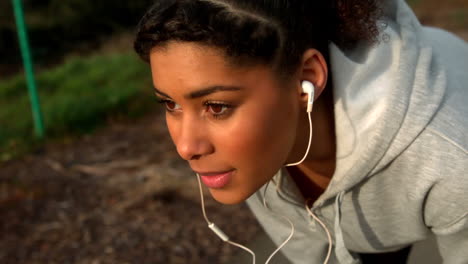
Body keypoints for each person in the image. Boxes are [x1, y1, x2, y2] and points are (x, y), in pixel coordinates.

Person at [133, 0, 468, 263]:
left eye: (216, 106)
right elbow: (304, 244)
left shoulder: (450, 162)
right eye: (170, 104)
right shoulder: (258, 144)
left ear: (306, 77)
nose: (186, 147)